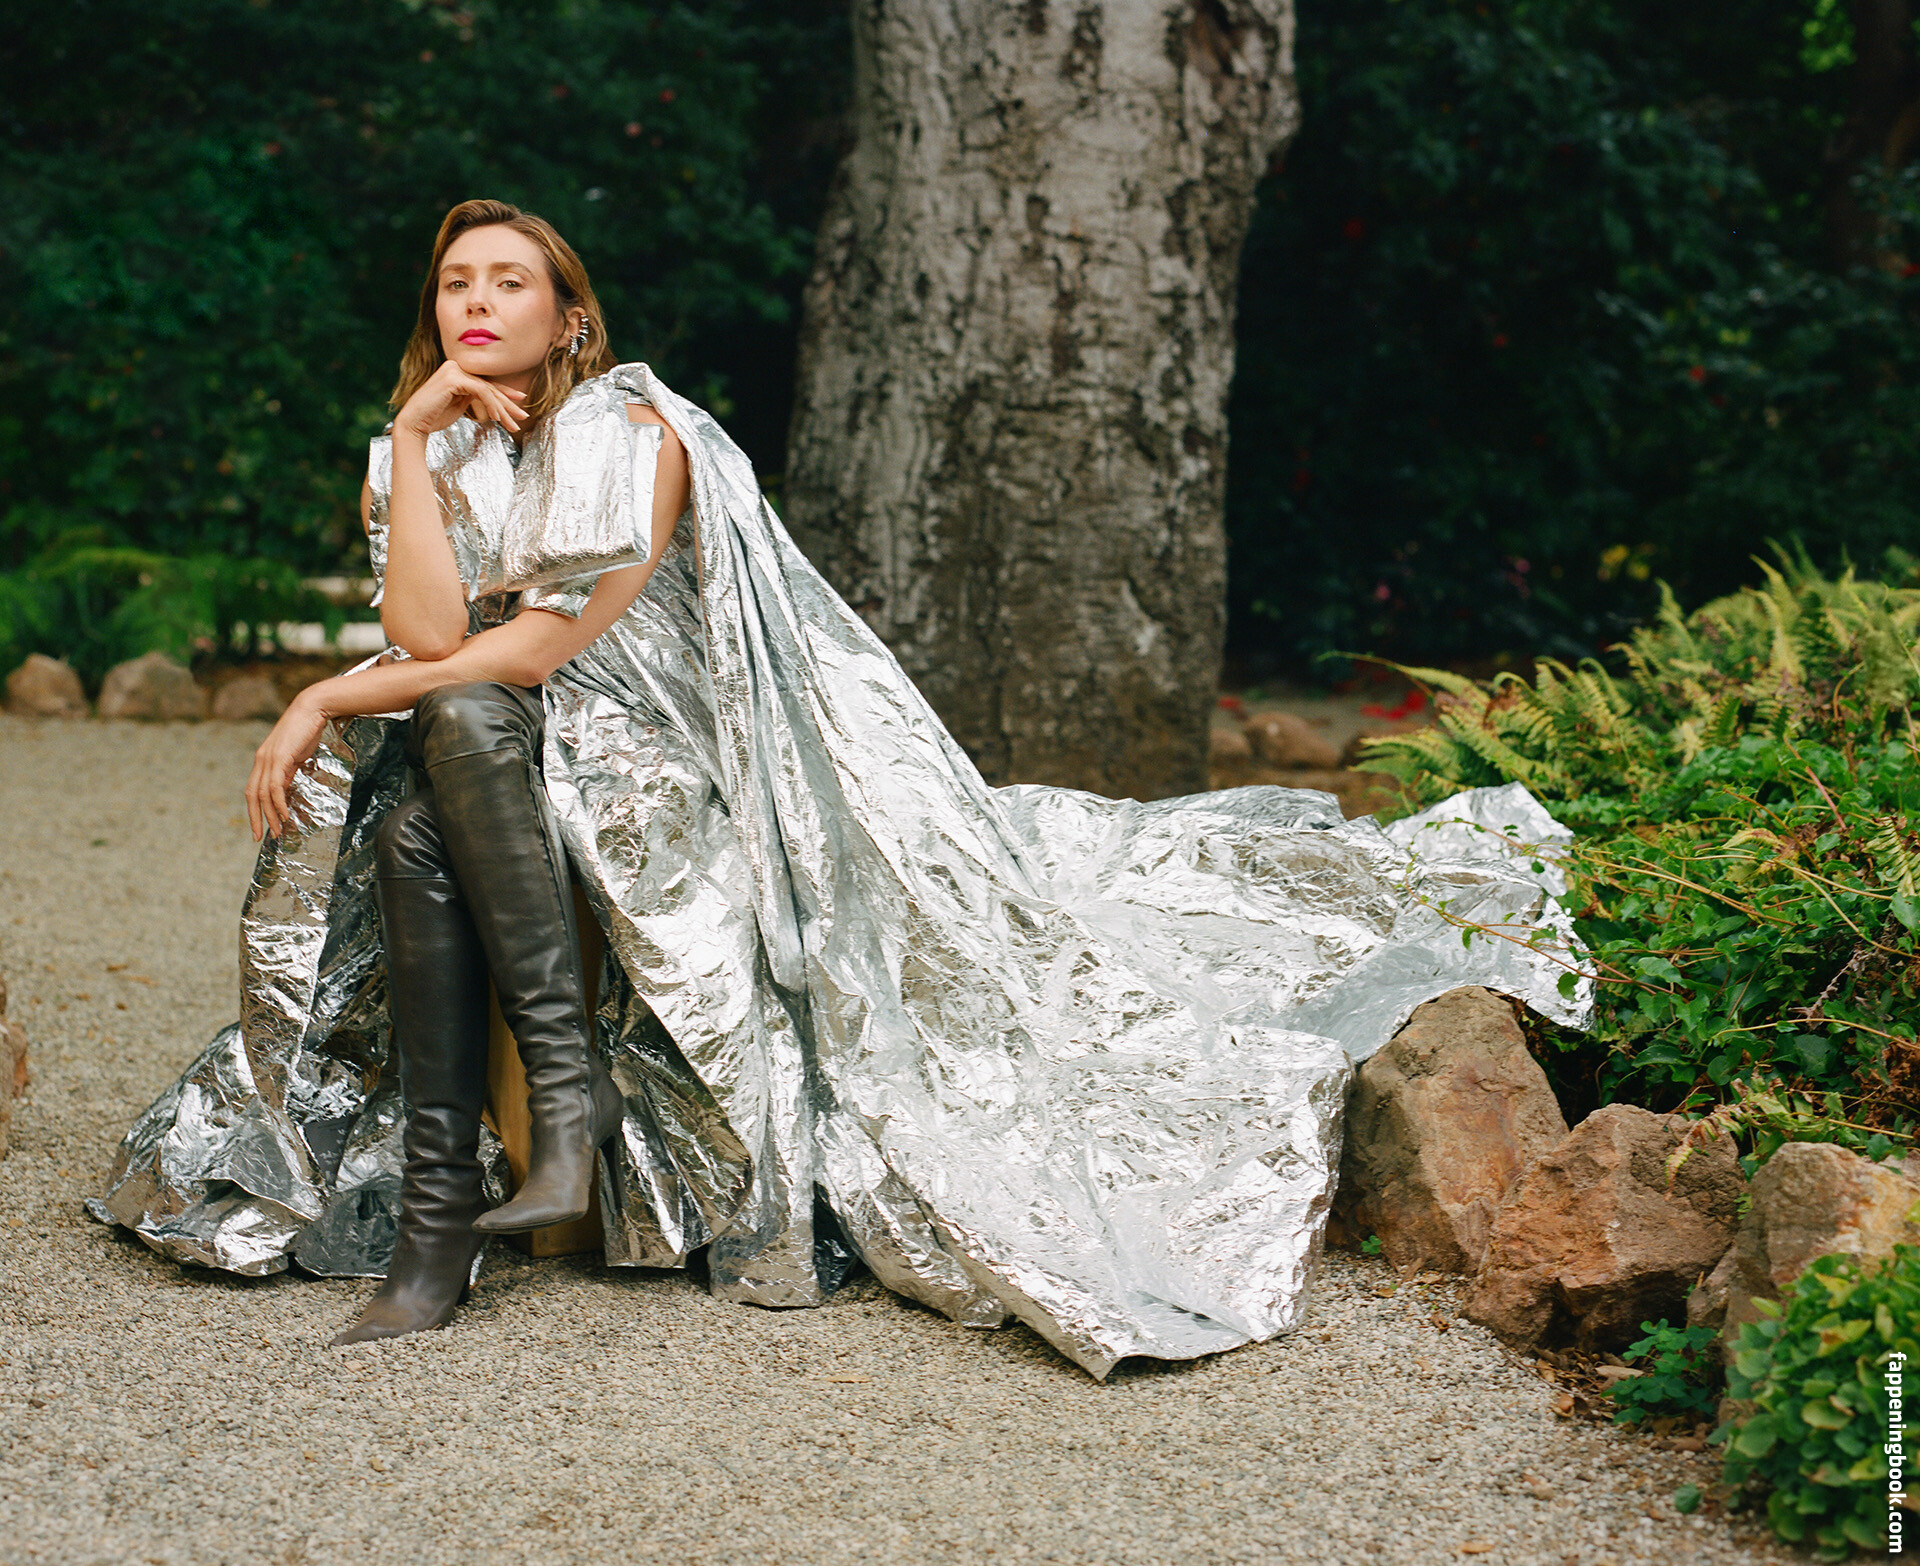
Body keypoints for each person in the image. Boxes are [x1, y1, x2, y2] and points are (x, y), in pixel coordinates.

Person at [96, 199, 1581, 1377]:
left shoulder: (632, 428)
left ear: (569, 313)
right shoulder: (421, 448)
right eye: (453, 284)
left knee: (459, 729)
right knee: (443, 756)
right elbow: (432, 637)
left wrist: (320, 693)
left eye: (510, 281)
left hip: (659, 742)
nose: (476, 303)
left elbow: (543, 649)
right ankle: (502, 1165)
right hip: (502, 744)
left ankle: (463, 1207)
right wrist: (420, 441)